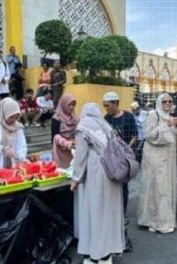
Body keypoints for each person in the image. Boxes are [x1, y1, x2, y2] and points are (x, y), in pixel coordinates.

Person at [70, 103, 125, 264]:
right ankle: (107, 254)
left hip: (96, 171)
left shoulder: (83, 126)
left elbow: (80, 156)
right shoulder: (105, 125)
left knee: (95, 212)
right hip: (112, 170)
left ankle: (95, 254)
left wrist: (75, 178)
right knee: (109, 213)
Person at [137, 94, 177, 234]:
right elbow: (148, 135)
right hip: (154, 159)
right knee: (157, 188)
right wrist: (166, 125)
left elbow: (176, 138)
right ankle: (157, 222)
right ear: (159, 102)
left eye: (170, 101)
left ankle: (160, 220)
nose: (168, 103)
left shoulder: (171, 116)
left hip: (168, 158)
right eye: (164, 101)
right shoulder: (153, 115)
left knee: (165, 188)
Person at [103, 92, 138, 215]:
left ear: (116, 103)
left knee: (123, 185)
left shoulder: (128, 116)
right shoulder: (106, 118)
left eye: (108, 106)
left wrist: (126, 149)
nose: (106, 109)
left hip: (124, 157)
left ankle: (123, 213)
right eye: (104, 106)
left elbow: (134, 135)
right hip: (111, 158)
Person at [0, 98, 27, 171]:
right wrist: (2, 149)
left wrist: (22, 157)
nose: (14, 120)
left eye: (16, 117)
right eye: (11, 117)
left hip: (13, 164)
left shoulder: (17, 126)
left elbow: (21, 145)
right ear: (4, 113)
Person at [51, 94, 78, 169]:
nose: (71, 107)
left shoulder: (74, 117)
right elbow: (54, 136)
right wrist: (66, 143)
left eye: (73, 105)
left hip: (73, 149)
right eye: (69, 105)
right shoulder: (56, 118)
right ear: (63, 104)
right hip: (61, 151)